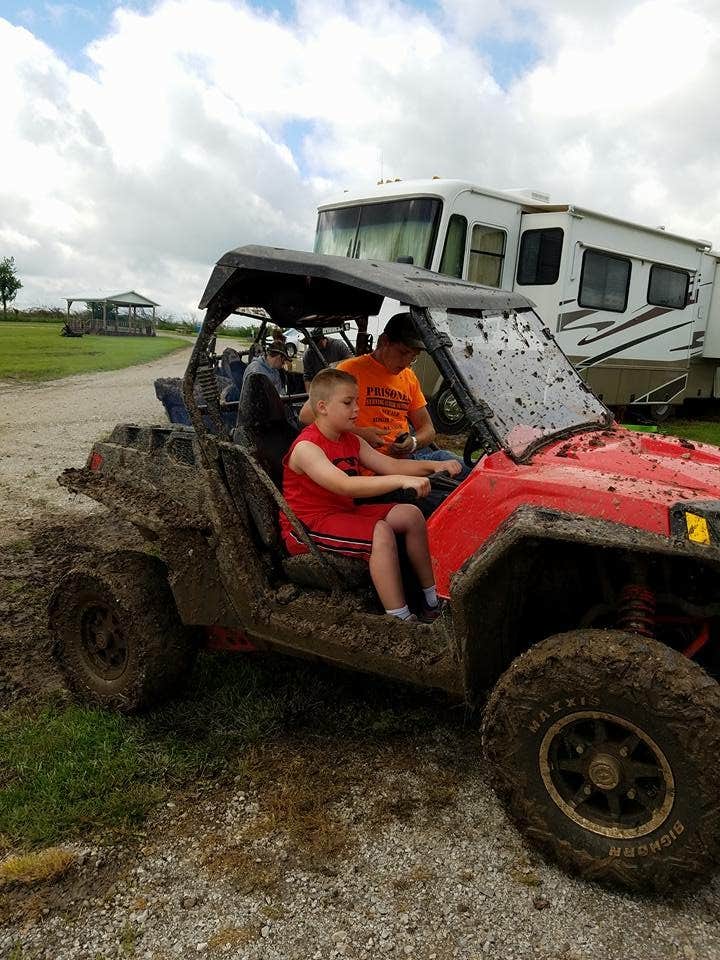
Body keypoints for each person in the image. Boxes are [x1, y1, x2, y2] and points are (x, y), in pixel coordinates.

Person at [281, 368, 462, 623]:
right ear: (322, 407)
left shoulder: (351, 440)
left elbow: (392, 466)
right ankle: (400, 619)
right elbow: (345, 485)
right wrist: (401, 481)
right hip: (307, 527)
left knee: (411, 514)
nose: (356, 408)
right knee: (380, 532)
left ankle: (433, 600)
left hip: (342, 513)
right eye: (348, 402)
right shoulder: (306, 447)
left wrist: (435, 466)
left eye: (356, 400)